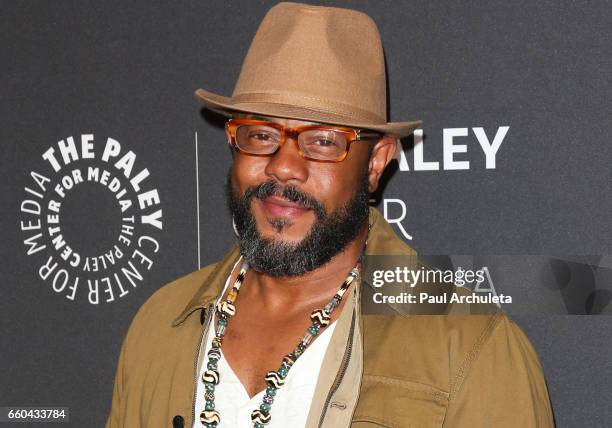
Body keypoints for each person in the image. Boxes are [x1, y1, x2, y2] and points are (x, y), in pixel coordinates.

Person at [105, 2, 555, 427]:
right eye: (261, 134)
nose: (283, 165)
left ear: (376, 162)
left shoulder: (467, 344)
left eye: (323, 141)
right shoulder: (160, 325)